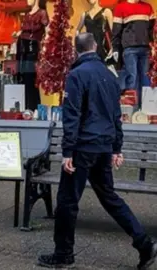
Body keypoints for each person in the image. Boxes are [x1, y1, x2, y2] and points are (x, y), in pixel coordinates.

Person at [37, 33, 157, 270]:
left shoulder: (76, 75)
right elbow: (116, 115)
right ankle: (143, 243)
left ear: (76, 51)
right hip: (103, 146)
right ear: (96, 48)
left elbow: (72, 116)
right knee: (110, 198)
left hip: (82, 147)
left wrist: (68, 151)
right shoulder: (110, 76)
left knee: (67, 201)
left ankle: (63, 254)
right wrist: (116, 147)